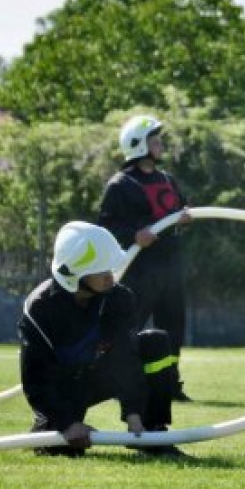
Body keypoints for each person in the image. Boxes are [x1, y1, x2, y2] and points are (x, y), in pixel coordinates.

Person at [18, 222, 184, 458]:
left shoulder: (118, 299)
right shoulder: (40, 309)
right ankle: (47, 433)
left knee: (154, 342)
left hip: (97, 376)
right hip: (63, 388)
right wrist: (65, 423)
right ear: (75, 274)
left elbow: (125, 357)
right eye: (102, 271)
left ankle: (153, 432)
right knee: (65, 450)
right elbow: (36, 379)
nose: (111, 277)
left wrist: (134, 413)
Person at [98, 114, 193, 401]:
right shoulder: (119, 186)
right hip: (139, 270)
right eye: (155, 140)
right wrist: (134, 235)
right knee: (130, 328)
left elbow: (178, 209)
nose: (161, 145)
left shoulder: (167, 179)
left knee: (172, 329)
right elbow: (107, 228)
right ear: (139, 145)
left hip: (170, 267)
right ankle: (117, 381)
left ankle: (169, 385)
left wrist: (184, 218)